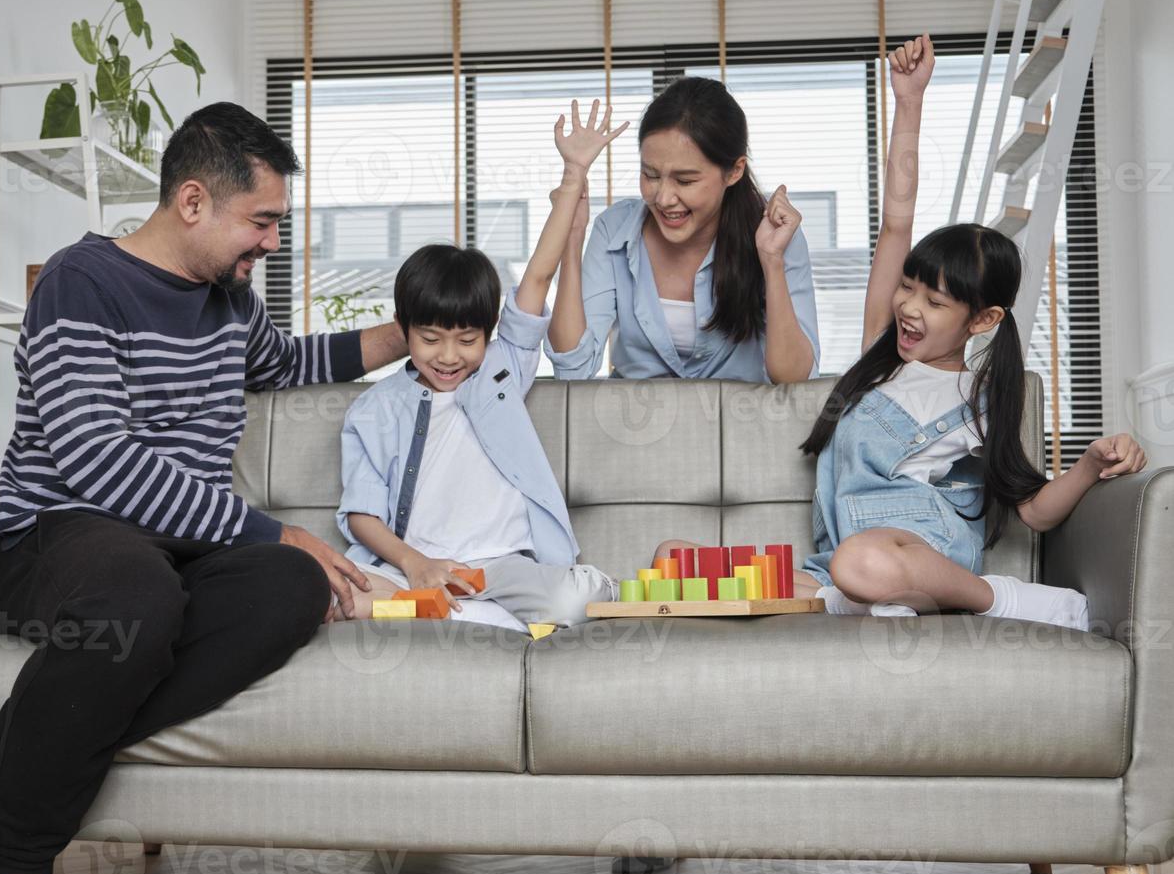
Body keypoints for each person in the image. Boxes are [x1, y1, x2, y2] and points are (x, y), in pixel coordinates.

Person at [0, 102, 409, 874]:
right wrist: (278, 529)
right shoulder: (81, 282)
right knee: (146, 592)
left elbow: (288, 362)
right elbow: (98, 462)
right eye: (262, 221)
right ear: (194, 202)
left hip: (174, 552)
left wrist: (417, 331)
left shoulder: (231, 302)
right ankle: (14, 868)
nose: (272, 242)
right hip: (65, 537)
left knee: (290, 588)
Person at [658, 34, 1146, 625]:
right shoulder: (882, 354)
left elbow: (1037, 513)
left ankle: (999, 599)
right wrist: (908, 103)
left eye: (934, 301)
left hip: (920, 554)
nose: (909, 307)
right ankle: (878, 602)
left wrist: (1091, 465)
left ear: (984, 319)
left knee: (862, 562)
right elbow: (896, 222)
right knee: (673, 561)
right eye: (908, 287)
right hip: (839, 563)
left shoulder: (978, 397)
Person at [334, 99, 626, 629]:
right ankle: (441, 605)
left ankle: (463, 606)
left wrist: (574, 171)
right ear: (404, 328)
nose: (449, 357)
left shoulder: (501, 369)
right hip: (416, 568)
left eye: (467, 339)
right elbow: (362, 515)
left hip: (503, 570)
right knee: (332, 586)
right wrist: (414, 563)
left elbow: (537, 277)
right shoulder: (375, 410)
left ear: (489, 334)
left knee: (573, 601)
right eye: (430, 339)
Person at [546, 75, 819, 382]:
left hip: (743, 428)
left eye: (685, 181)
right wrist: (571, 236)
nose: (663, 198)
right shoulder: (614, 231)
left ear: (734, 171)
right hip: (632, 427)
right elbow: (572, 368)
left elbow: (794, 380)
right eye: (650, 175)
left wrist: (771, 261)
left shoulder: (774, 234)